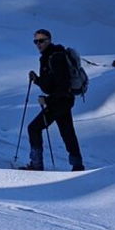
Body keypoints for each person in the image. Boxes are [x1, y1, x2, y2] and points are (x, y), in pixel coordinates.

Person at [25, 28, 83, 171]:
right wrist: (37, 80)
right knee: (67, 131)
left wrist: (48, 100)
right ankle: (77, 166)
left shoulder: (55, 57)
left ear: (49, 40)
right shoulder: (50, 56)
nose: (38, 44)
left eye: (41, 41)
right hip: (64, 100)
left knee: (34, 128)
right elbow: (49, 85)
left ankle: (36, 164)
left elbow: (62, 85)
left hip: (60, 100)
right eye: (36, 41)